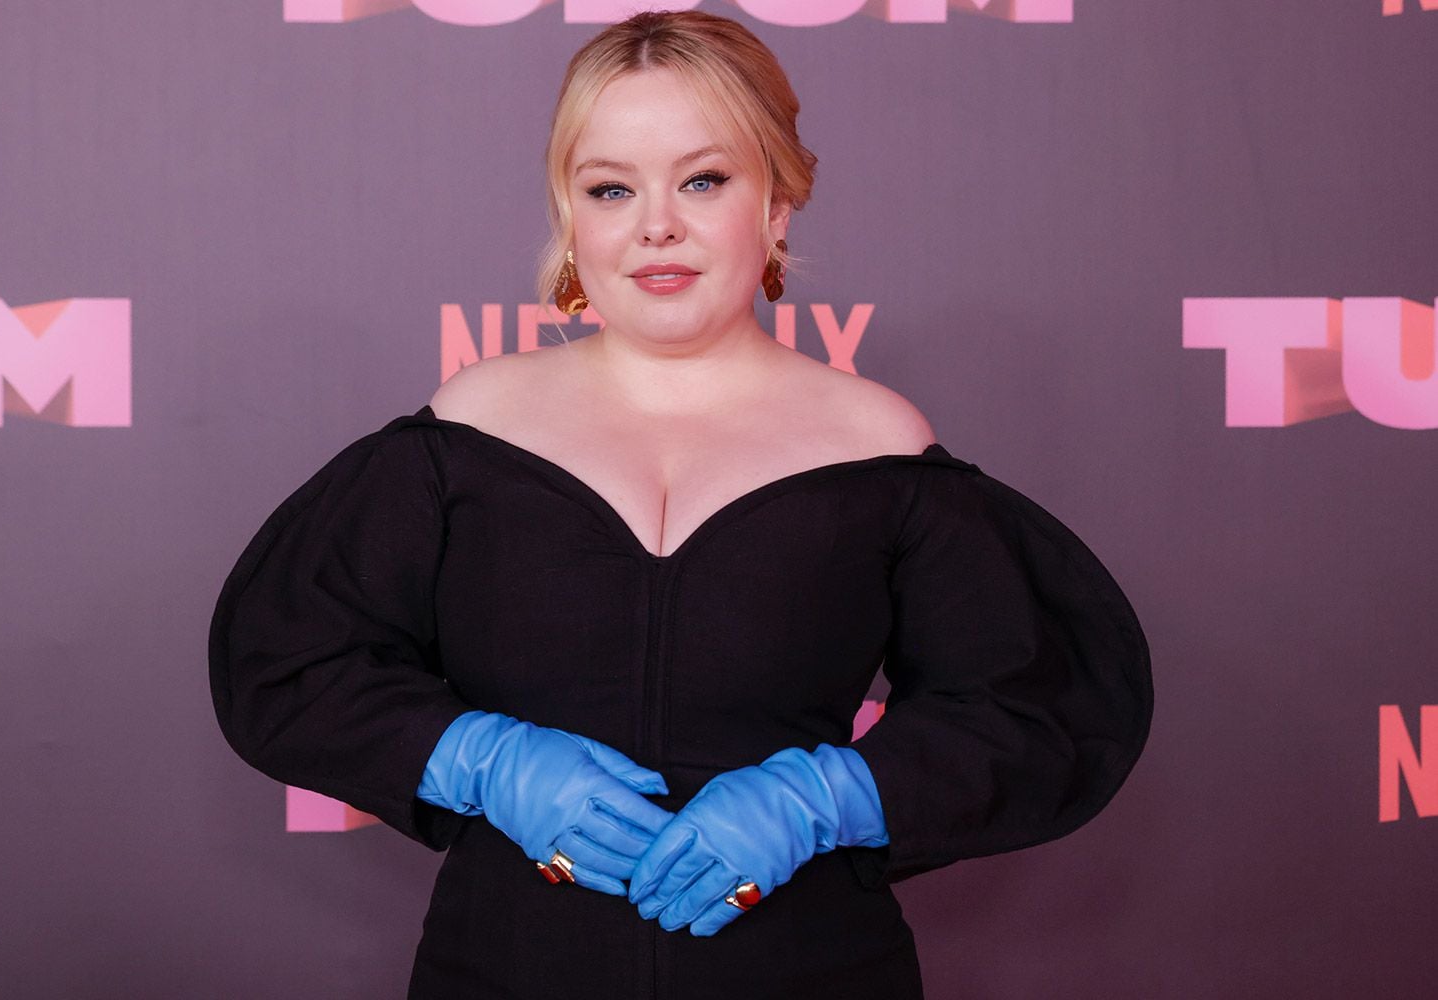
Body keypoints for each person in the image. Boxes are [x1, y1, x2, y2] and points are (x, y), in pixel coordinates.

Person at [207, 10, 1152, 999]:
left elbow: (1039, 707)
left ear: (778, 204)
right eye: (611, 189)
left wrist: (831, 796)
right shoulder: (465, 433)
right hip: (505, 969)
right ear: (571, 217)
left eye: (703, 180)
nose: (655, 224)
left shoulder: (880, 448)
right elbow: (288, 660)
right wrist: (479, 760)